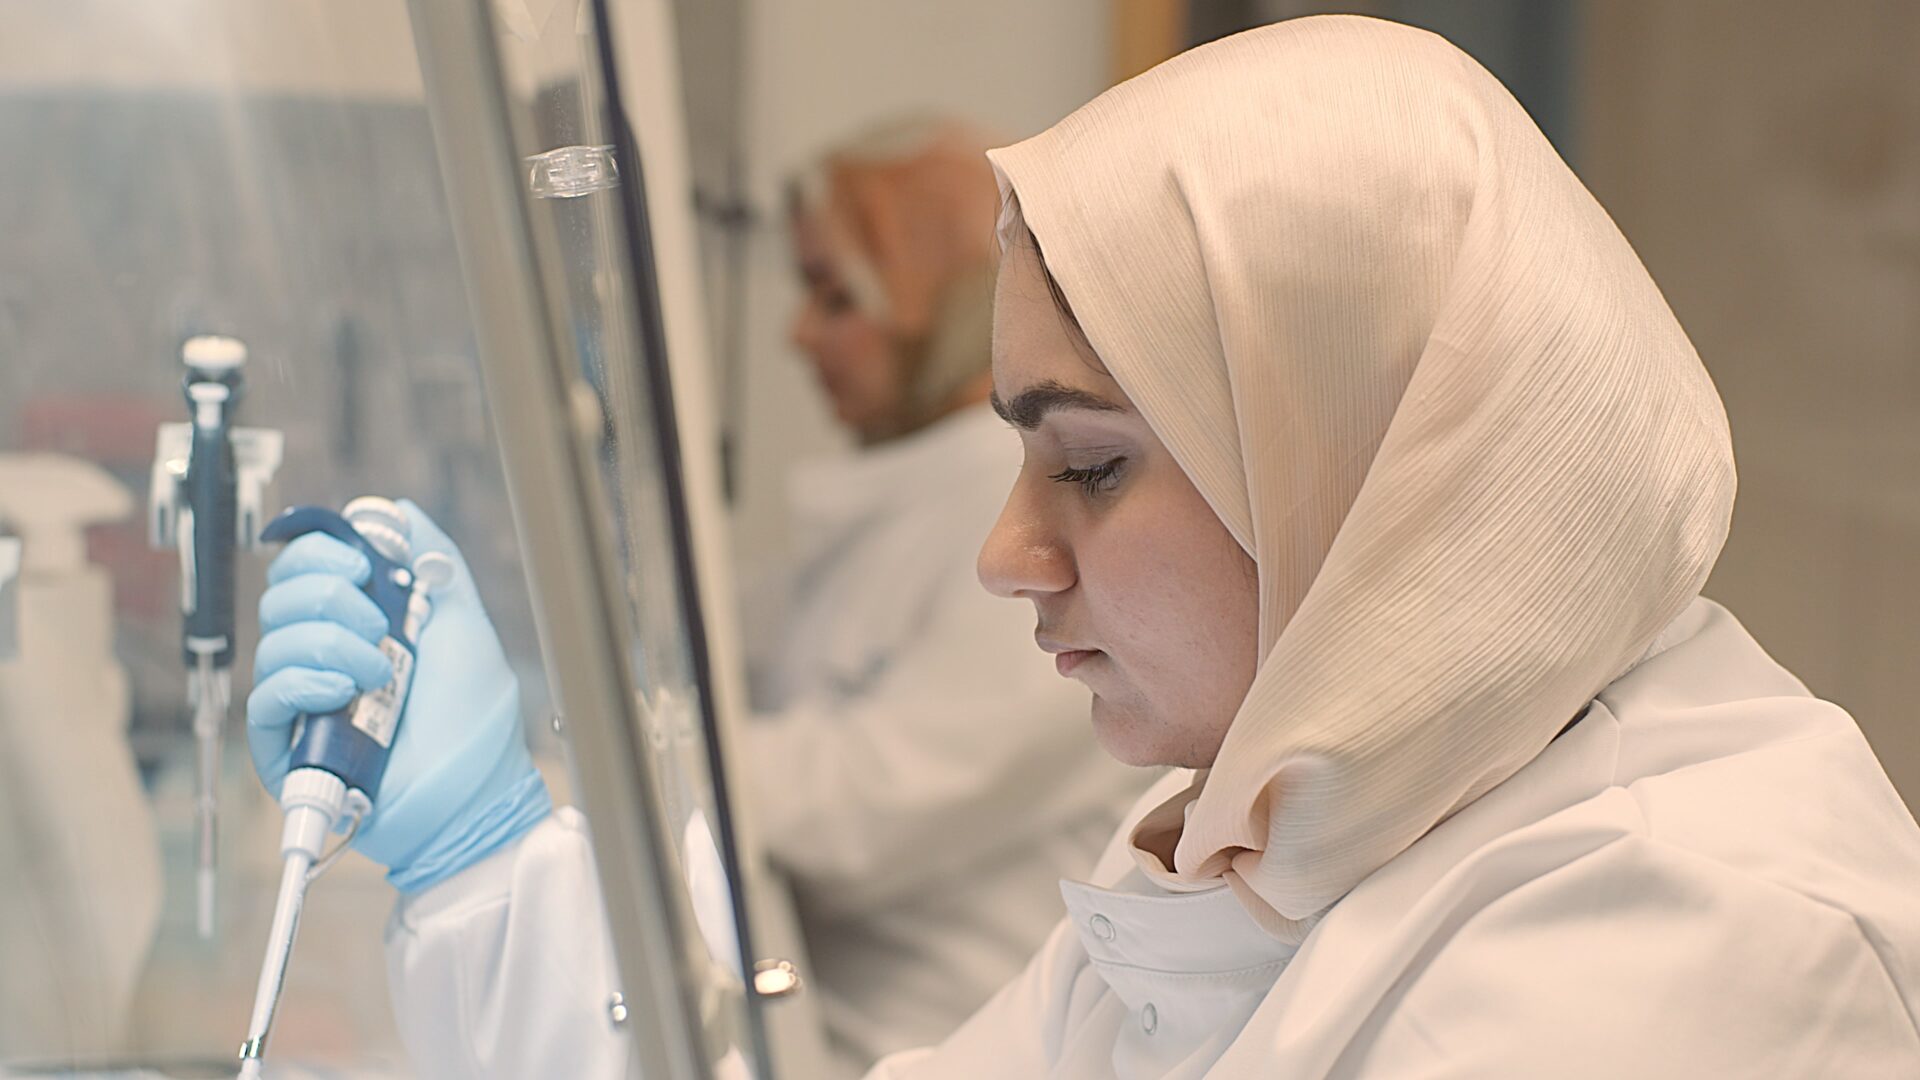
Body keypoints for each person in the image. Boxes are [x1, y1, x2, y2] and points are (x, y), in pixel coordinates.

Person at [246, 16, 1920, 1078]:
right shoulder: (1251, 841)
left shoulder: (1688, 946)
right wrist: (489, 869)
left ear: (1364, 466)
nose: (1009, 556)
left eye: (1094, 466)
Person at [249, 118, 1143, 1077]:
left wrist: (571, 770)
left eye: (836, 295)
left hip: (925, 1029)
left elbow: (869, 799)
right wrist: (542, 671)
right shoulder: (906, 496)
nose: (797, 333)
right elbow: (721, 636)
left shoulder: (1025, 525)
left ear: (956, 311)